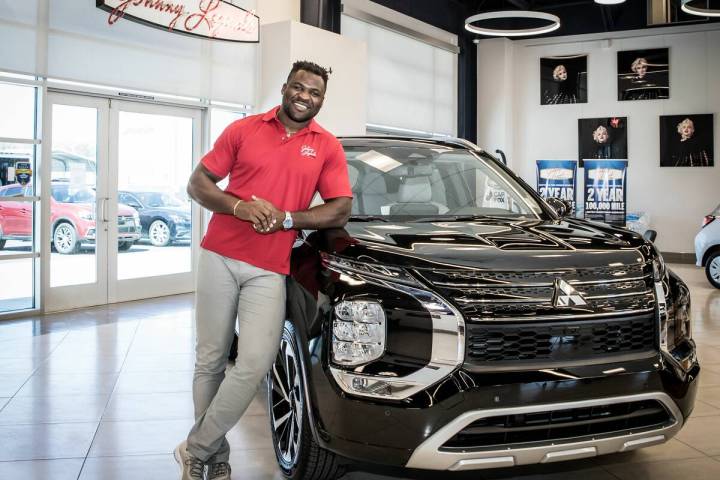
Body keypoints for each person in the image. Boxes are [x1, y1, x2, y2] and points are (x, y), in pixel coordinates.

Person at [175, 60, 353, 480]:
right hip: (219, 255)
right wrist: (239, 206)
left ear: (321, 100)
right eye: (298, 87)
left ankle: (195, 446)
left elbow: (340, 206)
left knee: (256, 359)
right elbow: (197, 183)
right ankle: (213, 459)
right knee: (211, 359)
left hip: (269, 267)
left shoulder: (326, 145)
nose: (304, 96)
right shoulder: (244, 129)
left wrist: (290, 218)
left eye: (314, 92)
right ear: (285, 87)